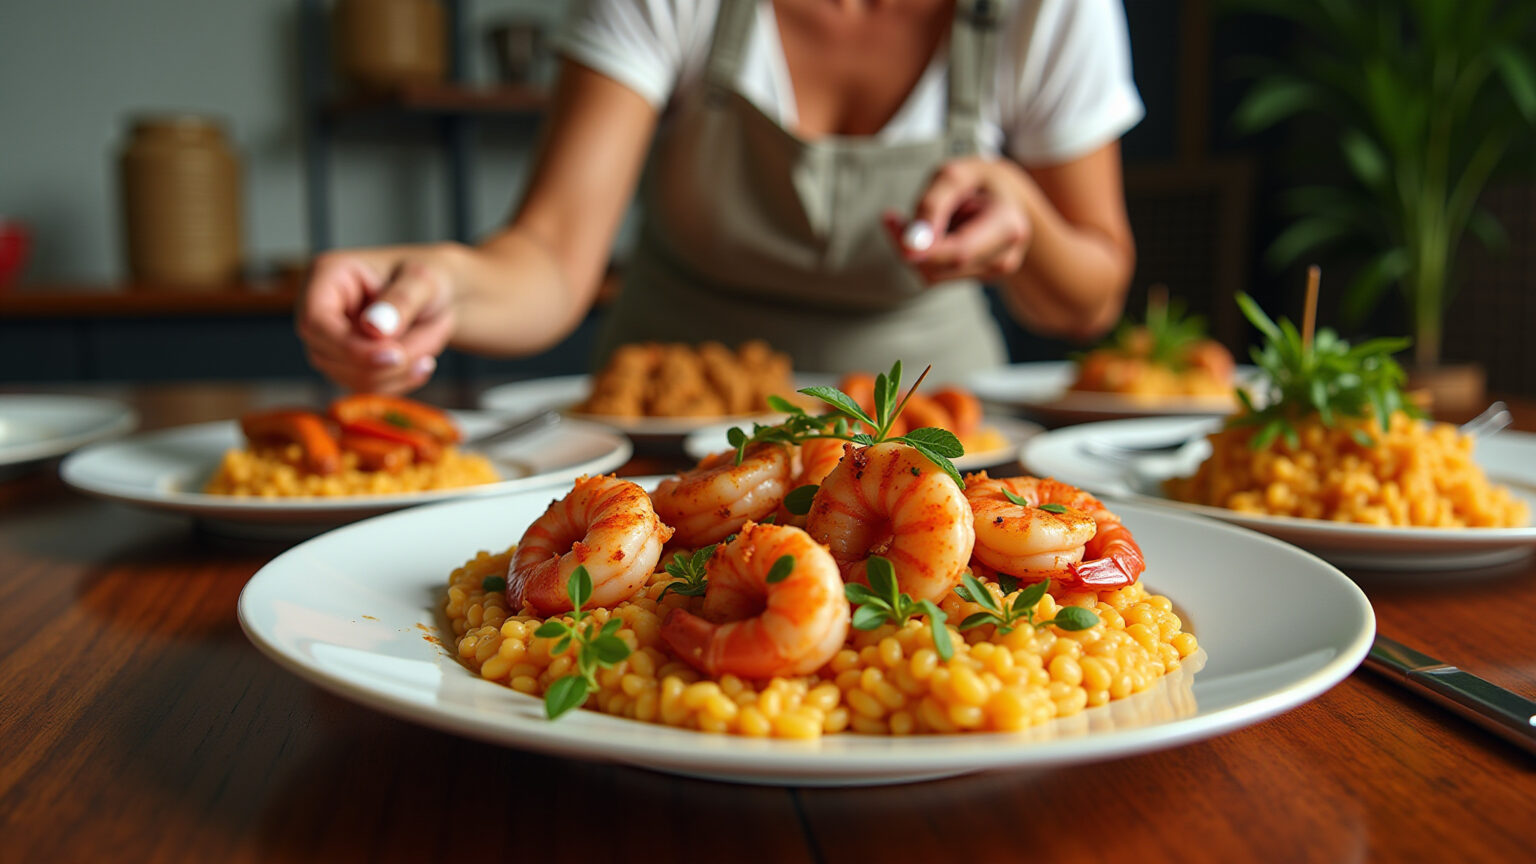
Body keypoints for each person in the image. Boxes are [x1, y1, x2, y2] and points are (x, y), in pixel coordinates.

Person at [297, 0, 1142, 393]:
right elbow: (552, 259)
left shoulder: (1051, 11)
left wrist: (1025, 214)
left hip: (940, 435)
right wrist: (441, 282)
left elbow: (1089, 301)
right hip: (659, 447)